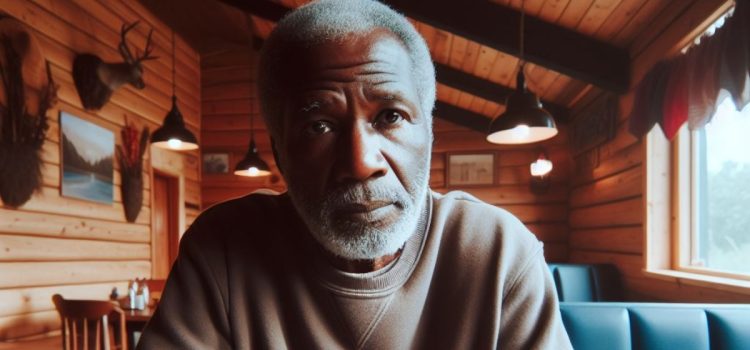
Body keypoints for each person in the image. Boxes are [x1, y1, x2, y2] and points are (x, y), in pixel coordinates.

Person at [137, 0, 572, 348]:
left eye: (390, 116)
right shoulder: (225, 249)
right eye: (318, 126)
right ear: (281, 154)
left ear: (429, 132)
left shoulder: (497, 251)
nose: (362, 162)